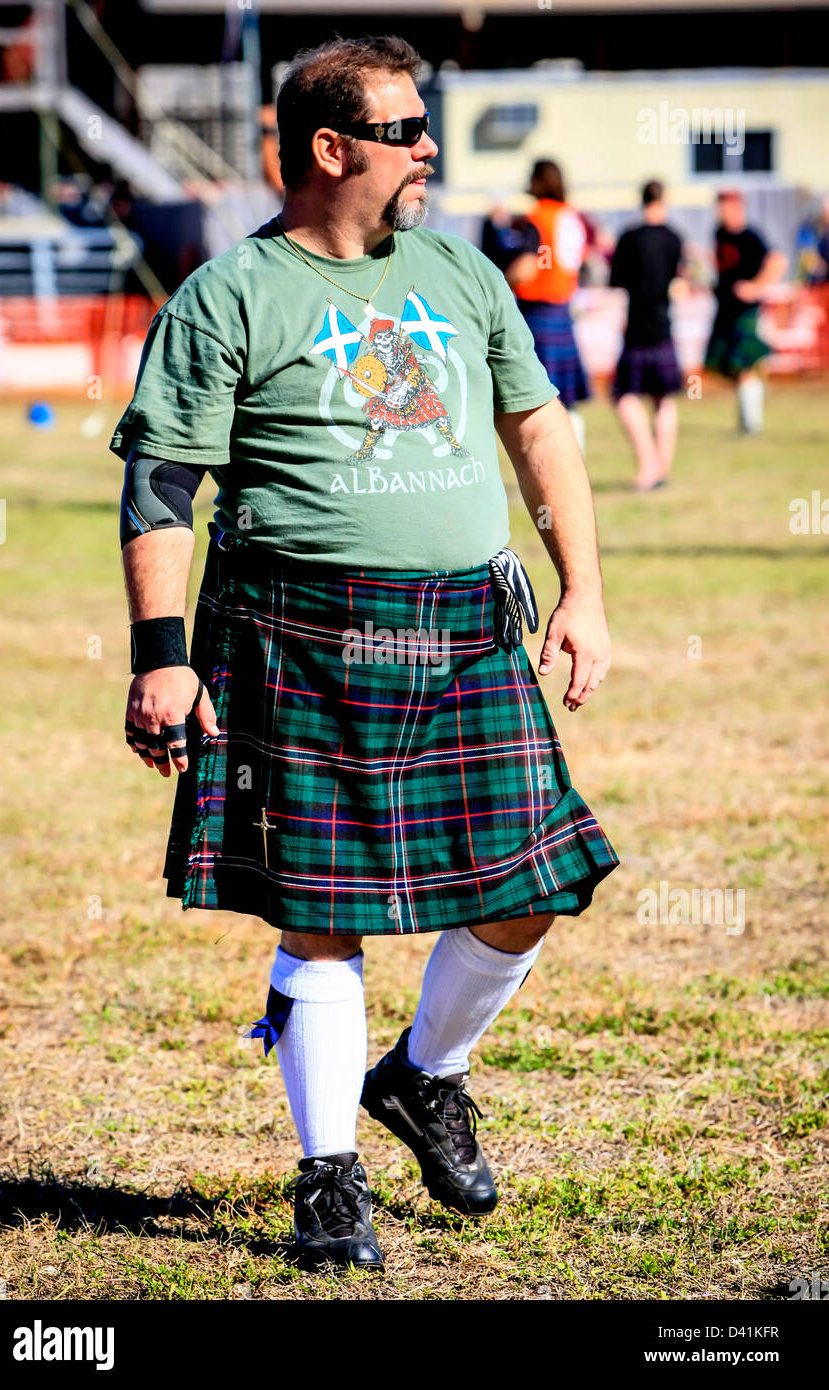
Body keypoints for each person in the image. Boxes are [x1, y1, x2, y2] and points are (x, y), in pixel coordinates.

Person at [111, 35, 619, 1275]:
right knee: (318, 915)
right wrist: (160, 654)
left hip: (463, 627)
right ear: (330, 148)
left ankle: (424, 1075)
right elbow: (161, 481)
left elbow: (536, 426)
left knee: (536, 884)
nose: (428, 147)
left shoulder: (458, 270)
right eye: (405, 129)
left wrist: (583, 589)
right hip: (297, 632)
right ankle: (328, 1174)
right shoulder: (230, 296)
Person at [501, 159, 591, 457]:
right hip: (563, 309)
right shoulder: (571, 217)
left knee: (540, 394)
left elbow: (526, 268)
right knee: (567, 396)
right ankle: (576, 454)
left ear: (538, 181)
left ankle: (557, 457)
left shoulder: (537, 218)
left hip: (538, 313)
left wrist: (499, 283)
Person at [608, 180, 687, 491]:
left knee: (623, 395)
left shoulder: (629, 237)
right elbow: (681, 280)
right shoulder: (675, 238)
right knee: (663, 398)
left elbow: (616, 285)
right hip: (664, 327)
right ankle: (662, 467)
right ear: (663, 199)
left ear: (641, 200)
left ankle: (648, 465)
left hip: (636, 328)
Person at [704, 190, 787, 434]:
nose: (720, 211)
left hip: (744, 312)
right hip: (725, 310)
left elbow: (778, 260)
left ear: (738, 207)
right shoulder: (719, 233)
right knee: (722, 365)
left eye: (725, 206)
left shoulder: (750, 237)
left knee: (743, 367)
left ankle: (751, 424)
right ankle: (752, 401)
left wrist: (757, 287)